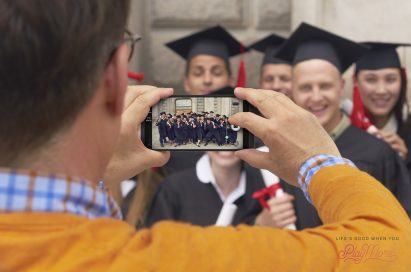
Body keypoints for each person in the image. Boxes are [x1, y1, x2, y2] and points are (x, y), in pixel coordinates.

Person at [5, 2, 409, 270]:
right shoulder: (184, 260)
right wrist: (318, 160)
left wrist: (89, 168)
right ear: (113, 79)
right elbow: (388, 248)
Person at [273, 22, 411, 229]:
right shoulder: (278, 152)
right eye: (306, 87)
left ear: (341, 87)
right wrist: (262, 222)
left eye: (325, 85)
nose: (316, 96)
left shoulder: (379, 153)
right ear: (292, 91)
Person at [146, 151, 266, 227]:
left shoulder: (263, 185)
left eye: (235, 131)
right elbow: (159, 248)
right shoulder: (174, 188)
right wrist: (256, 226)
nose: (225, 141)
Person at [353, 42, 411, 172]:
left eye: (390, 79)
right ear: (355, 81)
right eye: (371, 79)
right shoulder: (344, 131)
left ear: (402, 81)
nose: (381, 90)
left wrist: (405, 161)